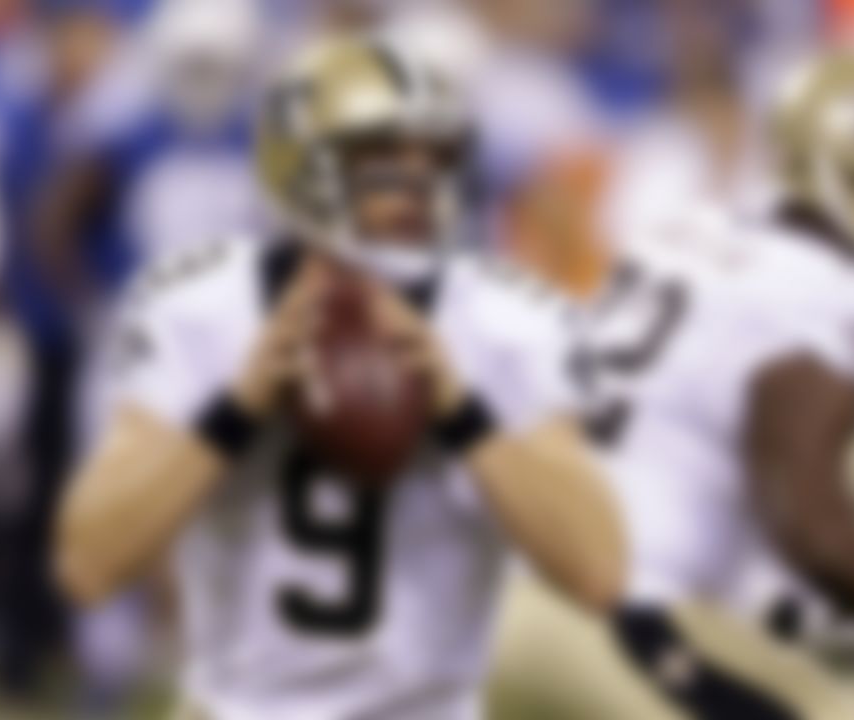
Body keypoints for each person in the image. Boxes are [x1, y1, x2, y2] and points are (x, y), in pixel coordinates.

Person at [54, 37, 625, 720]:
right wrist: (234, 411)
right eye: (382, 157)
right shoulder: (200, 309)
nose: (416, 182)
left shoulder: (505, 322)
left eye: (435, 157)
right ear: (299, 162)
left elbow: (600, 572)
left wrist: (463, 412)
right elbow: (88, 564)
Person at [581, 49, 854, 719]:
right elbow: (812, 529)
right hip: (628, 612)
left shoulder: (694, 225)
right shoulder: (819, 298)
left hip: (536, 558)